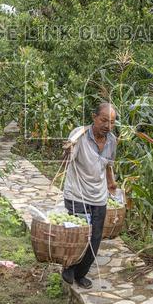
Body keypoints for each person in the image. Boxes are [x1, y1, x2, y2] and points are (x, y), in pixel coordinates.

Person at [60, 101, 117, 288]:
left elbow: (108, 164)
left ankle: (81, 273)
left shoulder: (112, 141)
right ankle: (68, 267)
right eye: (104, 121)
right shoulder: (79, 135)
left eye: (112, 122)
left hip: (98, 196)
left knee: (95, 237)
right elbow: (68, 159)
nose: (108, 126)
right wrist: (67, 151)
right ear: (94, 117)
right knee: (77, 236)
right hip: (77, 194)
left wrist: (110, 183)